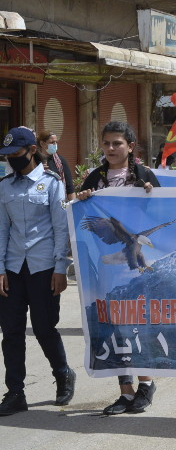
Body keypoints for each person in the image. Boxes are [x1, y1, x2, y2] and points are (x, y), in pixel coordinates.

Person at [76, 121, 159, 415]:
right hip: (108, 268)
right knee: (116, 326)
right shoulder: (94, 178)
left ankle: (146, 383)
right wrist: (80, 200)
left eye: (117, 143)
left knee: (139, 323)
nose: (111, 148)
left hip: (137, 270)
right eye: (107, 143)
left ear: (130, 146)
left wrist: (151, 196)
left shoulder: (145, 176)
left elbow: (164, 210)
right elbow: (80, 219)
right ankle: (125, 392)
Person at [0, 127, 75, 416]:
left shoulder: (52, 183)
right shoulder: (5, 186)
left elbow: (60, 228)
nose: (11, 159)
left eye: (16, 153)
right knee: (12, 332)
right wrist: (0, 269)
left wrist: (61, 268)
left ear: (32, 150)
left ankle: (62, 373)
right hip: (13, 268)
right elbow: (2, 230)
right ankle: (15, 392)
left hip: (44, 267)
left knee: (44, 328)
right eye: (7, 155)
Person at [36, 131, 76, 200]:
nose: (55, 145)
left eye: (56, 142)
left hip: (58, 200)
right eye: (52, 142)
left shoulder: (60, 161)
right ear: (42, 144)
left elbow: (70, 188)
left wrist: (73, 204)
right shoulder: (35, 161)